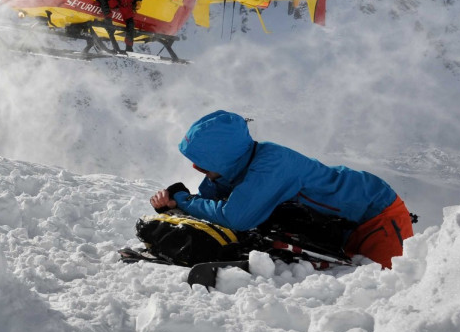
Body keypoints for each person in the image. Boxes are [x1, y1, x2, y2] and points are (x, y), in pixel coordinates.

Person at [150, 110, 415, 269]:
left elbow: (235, 216)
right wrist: (173, 202)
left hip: (376, 215)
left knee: (389, 289)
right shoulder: (234, 169)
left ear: (224, 159)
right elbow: (209, 206)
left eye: (203, 164)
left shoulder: (271, 165)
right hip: (341, 227)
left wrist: (183, 200)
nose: (198, 168)